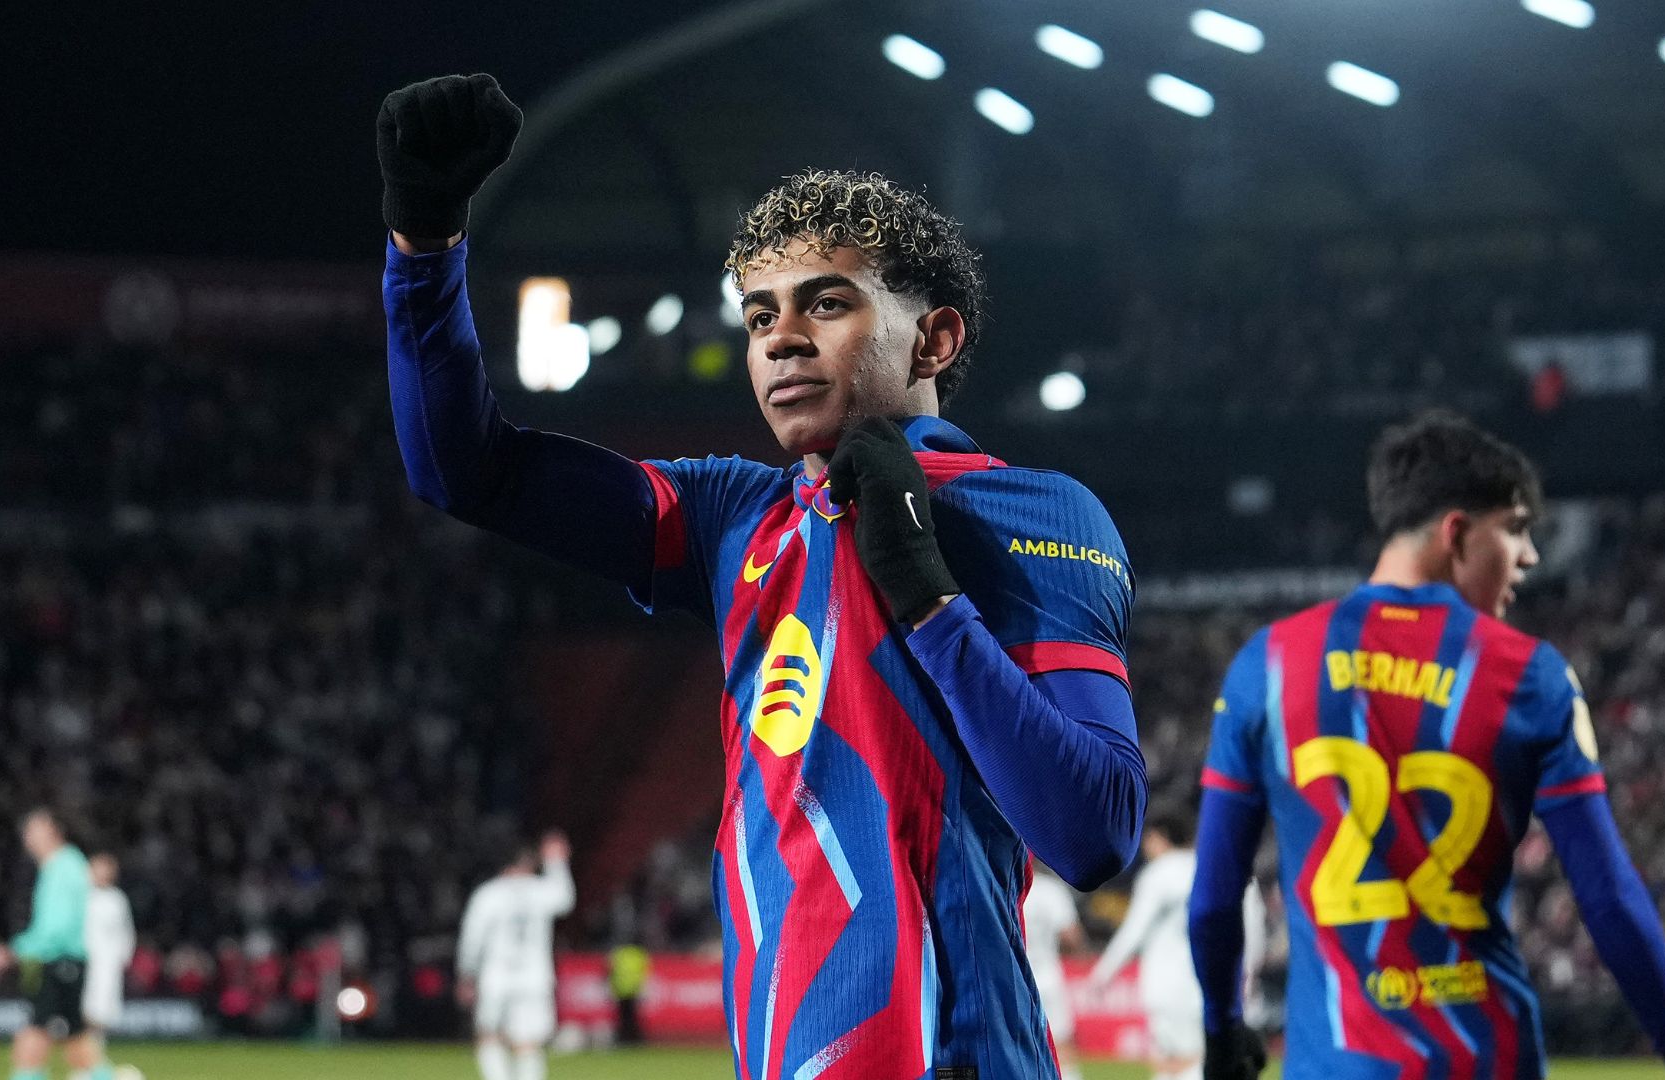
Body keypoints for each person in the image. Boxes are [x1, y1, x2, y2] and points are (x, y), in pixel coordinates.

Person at [375, 74, 1145, 1078]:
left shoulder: (1036, 514)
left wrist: (929, 599)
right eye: (758, 315)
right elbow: (464, 469)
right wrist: (423, 252)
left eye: (827, 304)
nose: (780, 336)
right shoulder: (736, 516)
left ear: (937, 336)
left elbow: (1092, 831)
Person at [1187, 412, 1665, 1080]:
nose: (1530, 557)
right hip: (1488, 1059)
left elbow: (1213, 899)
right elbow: (1607, 893)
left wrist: (1221, 1031)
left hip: (1337, 1064)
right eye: (1517, 528)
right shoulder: (1531, 675)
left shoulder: (1266, 666)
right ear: (1456, 533)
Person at [0, 809, 119, 1080]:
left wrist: (12, 951)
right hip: (65, 961)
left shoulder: (63, 867)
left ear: (53, 831)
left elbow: (56, 926)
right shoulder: (61, 865)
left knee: (35, 1034)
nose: (27, 836)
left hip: (59, 961)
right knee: (73, 1038)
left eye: (33, 829)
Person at [1087, 815, 1203, 1080]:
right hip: (1203, 979)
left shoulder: (1159, 873)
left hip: (1165, 982)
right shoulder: (1210, 868)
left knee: (1173, 1062)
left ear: (1160, 837)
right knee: (1194, 1057)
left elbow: (1134, 930)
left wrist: (1103, 973)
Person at [458, 832, 576, 1080]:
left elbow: (472, 937)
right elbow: (566, 900)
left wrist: (467, 973)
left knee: (488, 1034)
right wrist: (556, 861)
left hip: (496, 975)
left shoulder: (488, 894)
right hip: (534, 976)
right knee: (528, 1041)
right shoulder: (541, 890)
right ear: (532, 864)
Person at [1021, 861, 1087, 1080]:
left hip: (1014, 979)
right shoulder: (1051, 890)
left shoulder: (1005, 883)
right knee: (1062, 1048)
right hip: (1048, 977)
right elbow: (1071, 936)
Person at [80, 853, 136, 1066]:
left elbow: (125, 931)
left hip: (108, 964)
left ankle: (95, 1055)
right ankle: (86, 1058)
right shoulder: (82, 896)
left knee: (102, 1013)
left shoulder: (117, 899)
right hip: (85, 961)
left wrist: (124, 957)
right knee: (85, 1011)